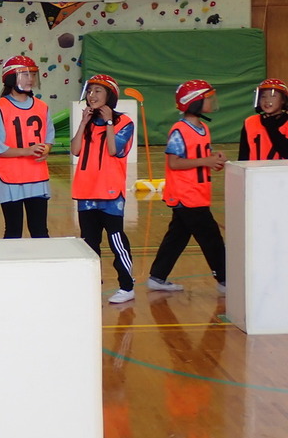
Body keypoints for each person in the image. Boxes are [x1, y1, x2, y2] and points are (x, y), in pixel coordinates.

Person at [148, 80, 227, 294]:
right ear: (194, 102)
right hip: (186, 194)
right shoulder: (179, 131)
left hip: (198, 193)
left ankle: (157, 276)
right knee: (211, 237)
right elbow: (174, 163)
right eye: (207, 98)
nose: (211, 102)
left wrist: (213, 159)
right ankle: (225, 279)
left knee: (177, 236)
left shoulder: (203, 128)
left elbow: (198, 156)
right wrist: (206, 161)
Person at [71, 74, 136, 304]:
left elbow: (113, 149)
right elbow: (75, 150)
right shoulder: (87, 122)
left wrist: (109, 122)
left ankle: (127, 286)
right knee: (90, 243)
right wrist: (83, 123)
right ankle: (91, 285)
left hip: (110, 193)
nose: (92, 95)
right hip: (85, 191)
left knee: (116, 240)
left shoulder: (124, 123)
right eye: (90, 91)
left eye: (98, 91)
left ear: (110, 95)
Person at [0, 55, 54, 238]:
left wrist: (47, 148)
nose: (30, 79)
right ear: (11, 78)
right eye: (25, 75)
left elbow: (49, 137)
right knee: (13, 231)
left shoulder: (42, 107)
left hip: (37, 177)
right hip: (10, 178)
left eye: (32, 74)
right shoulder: (0, 108)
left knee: (40, 230)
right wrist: (27, 151)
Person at [238, 78, 288, 160]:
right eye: (263, 96)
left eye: (273, 96)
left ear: (283, 100)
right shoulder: (250, 122)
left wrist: (271, 127)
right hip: (254, 168)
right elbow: (243, 156)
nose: (267, 100)